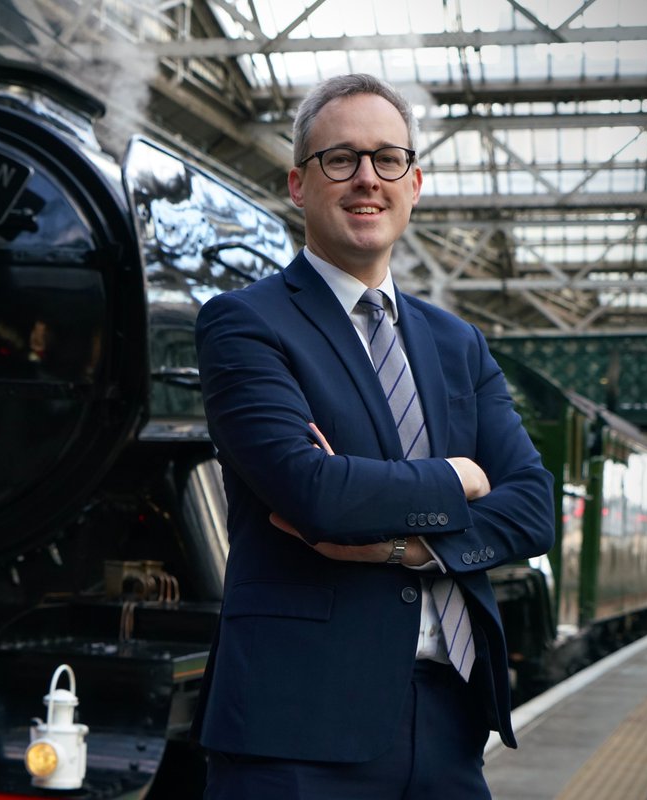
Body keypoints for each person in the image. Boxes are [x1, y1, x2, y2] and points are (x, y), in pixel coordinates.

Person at [192, 73, 555, 798]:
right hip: (297, 733)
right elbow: (315, 494)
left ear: (413, 183)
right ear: (299, 184)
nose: (367, 179)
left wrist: (401, 544)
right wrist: (459, 476)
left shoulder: (459, 343)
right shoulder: (245, 322)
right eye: (340, 159)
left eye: (387, 159)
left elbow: (535, 506)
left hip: (452, 722)